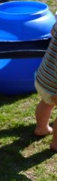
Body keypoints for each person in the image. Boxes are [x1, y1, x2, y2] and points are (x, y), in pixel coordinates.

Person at [34, 23, 57, 152]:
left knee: (46, 103)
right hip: (55, 83)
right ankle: (56, 143)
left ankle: (41, 128)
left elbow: (53, 32)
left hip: (44, 77)